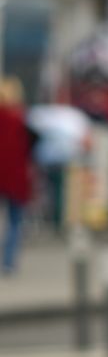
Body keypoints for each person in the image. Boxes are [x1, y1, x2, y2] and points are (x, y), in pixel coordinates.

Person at [0, 77, 34, 274]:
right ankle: (8, 262)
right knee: (14, 222)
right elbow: (31, 147)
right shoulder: (21, 119)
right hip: (15, 178)